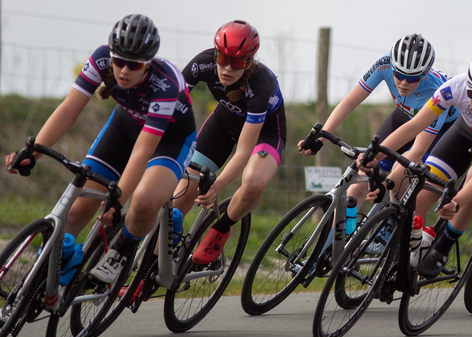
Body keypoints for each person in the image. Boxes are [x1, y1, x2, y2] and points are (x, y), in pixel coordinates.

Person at [4, 14, 197, 285]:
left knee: (142, 202)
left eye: (134, 65)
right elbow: (69, 109)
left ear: (149, 62)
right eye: (120, 62)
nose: (124, 71)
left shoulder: (165, 83)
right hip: (125, 126)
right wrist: (33, 152)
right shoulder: (101, 58)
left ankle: (122, 250)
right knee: (74, 213)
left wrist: (118, 201)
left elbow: (143, 150)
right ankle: (43, 279)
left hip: (170, 140)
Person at [359, 51, 472, 279]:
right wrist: (377, 154)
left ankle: (442, 248)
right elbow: (414, 126)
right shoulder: (455, 87)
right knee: (422, 195)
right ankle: (412, 250)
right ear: (467, 85)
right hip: (467, 131)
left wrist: (457, 201)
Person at [298, 33, 459, 204]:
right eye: (398, 75)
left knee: (398, 184)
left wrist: (385, 183)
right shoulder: (385, 63)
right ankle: (339, 231)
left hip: (441, 130)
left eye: (412, 78)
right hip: (404, 116)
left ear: (425, 75)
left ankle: (395, 228)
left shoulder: (437, 93)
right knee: (357, 187)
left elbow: (418, 150)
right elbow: (350, 102)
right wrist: (320, 138)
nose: (403, 82)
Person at [177, 20, 286, 265]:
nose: (226, 68)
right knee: (181, 194)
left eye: (236, 63)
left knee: (253, 184)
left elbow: (244, 150)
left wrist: (216, 186)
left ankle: (221, 229)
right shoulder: (202, 63)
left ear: (248, 62)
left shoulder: (260, 84)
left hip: (265, 133)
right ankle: (158, 263)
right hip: (224, 121)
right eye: (222, 58)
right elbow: (171, 109)